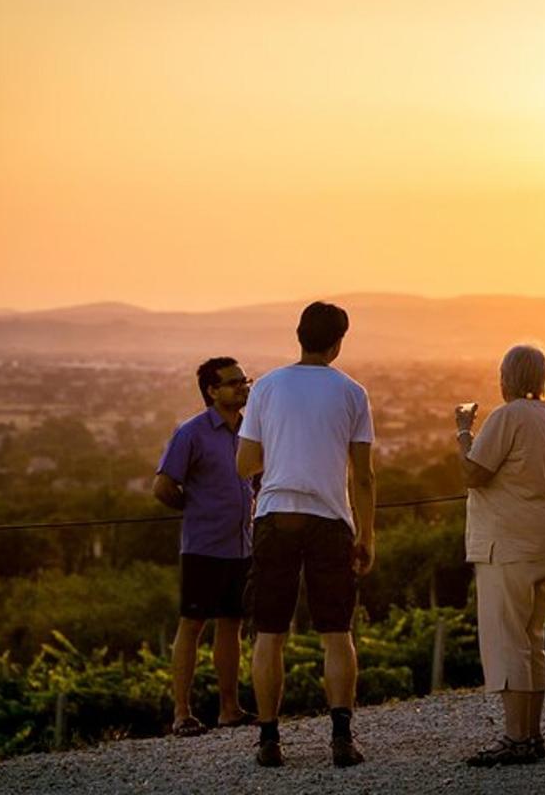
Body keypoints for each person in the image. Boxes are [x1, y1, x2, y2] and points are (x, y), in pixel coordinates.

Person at [235, 301, 376, 769]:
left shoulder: (267, 388)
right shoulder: (352, 392)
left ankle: (269, 740)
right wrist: (368, 534)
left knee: (269, 634)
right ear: (339, 342)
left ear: (298, 336)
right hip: (330, 519)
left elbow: (245, 465)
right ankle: (340, 738)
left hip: (276, 515)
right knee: (337, 633)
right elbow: (364, 476)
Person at [454, 344, 545, 766]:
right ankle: (531, 735)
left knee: (507, 639)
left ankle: (516, 739)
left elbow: (474, 473)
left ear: (508, 378)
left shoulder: (507, 416)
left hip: (509, 542)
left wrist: (463, 432)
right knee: (532, 639)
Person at [152, 357, 256, 737]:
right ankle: (182, 714)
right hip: (203, 547)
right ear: (212, 391)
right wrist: (197, 509)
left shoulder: (249, 431)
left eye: (245, 380)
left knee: (232, 626)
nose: (243, 387)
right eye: (234, 383)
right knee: (192, 626)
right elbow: (162, 486)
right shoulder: (191, 433)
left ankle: (230, 709)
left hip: (241, 546)